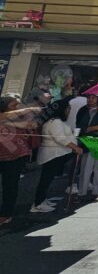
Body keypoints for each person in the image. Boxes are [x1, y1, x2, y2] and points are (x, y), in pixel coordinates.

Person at [32, 98, 83, 213]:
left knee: (47, 179)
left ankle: (42, 200)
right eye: (68, 108)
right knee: (46, 180)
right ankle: (38, 203)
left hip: (56, 154)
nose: (69, 110)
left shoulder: (56, 121)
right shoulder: (55, 122)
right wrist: (75, 147)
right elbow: (61, 139)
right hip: (52, 155)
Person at [0, 95, 34, 226]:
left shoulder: (18, 118)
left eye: (18, 105)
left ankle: (6, 214)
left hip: (15, 157)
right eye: (14, 105)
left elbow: (31, 124)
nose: (18, 107)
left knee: (10, 186)